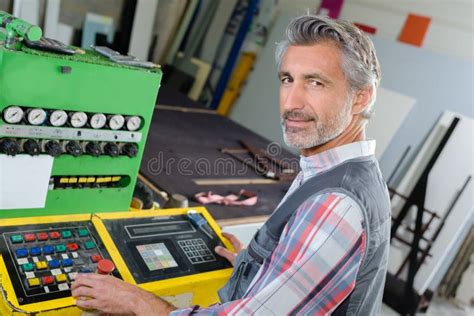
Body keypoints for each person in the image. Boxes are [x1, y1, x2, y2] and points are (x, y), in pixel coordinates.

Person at [71, 14, 390, 315]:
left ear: (361, 97)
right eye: (287, 79)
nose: (291, 102)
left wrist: (136, 301)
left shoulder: (335, 203)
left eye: (316, 83)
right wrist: (252, 262)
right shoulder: (343, 170)